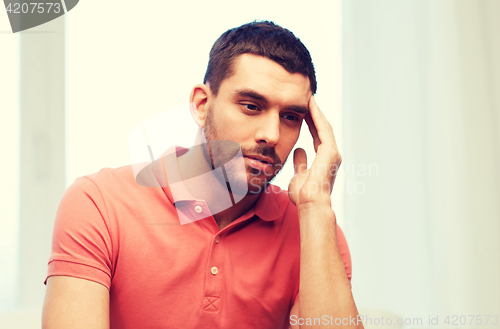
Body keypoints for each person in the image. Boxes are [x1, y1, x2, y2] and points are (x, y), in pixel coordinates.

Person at [42, 21, 363, 329]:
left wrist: (316, 209)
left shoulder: (317, 229)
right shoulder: (99, 203)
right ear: (202, 104)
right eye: (251, 106)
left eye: (291, 116)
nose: (271, 134)